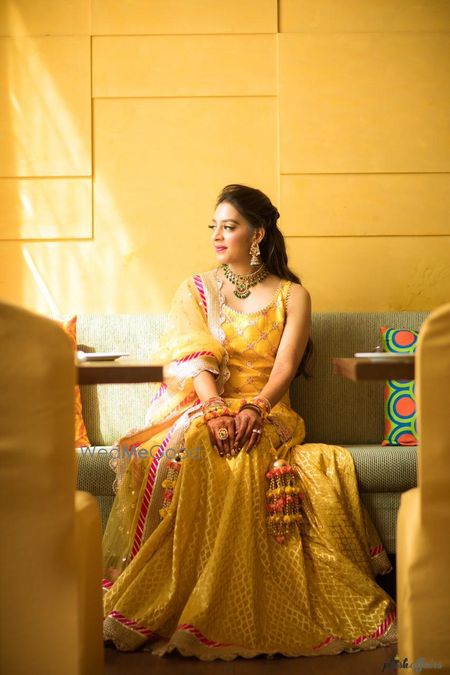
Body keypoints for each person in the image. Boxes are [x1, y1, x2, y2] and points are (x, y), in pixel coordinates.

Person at [102, 184, 397, 660]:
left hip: (269, 409)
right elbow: (195, 360)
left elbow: (284, 366)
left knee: (250, 446)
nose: (218, 236)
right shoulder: (196, 288)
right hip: (209, 403)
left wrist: (254, 409)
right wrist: (217, 410)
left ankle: (242, 590)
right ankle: (196, 590)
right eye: (214, 226)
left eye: (230, 226)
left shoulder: (292, 295)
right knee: (204, 441)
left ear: (257, 234)